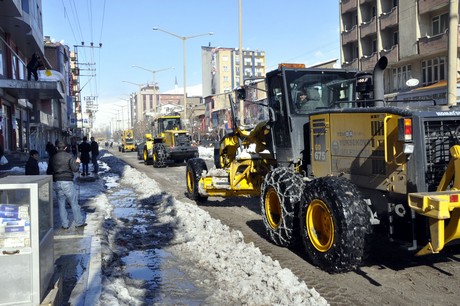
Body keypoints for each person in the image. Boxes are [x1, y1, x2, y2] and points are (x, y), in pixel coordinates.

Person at [46, 141, 86, 229]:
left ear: (57, 148)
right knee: (73, 203)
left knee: (61, 204)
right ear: (65, 148)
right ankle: (78, 222)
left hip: (57, 182)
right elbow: (75, 169)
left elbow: (49, 171)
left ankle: (65, 224)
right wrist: (78, 162)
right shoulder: (69, 156)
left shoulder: (53, 157)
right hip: (67, 181)